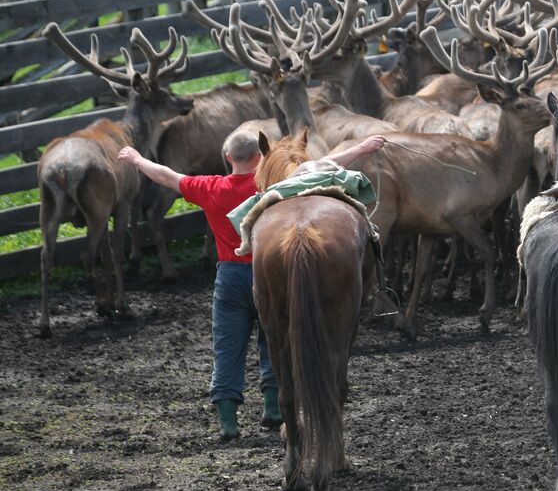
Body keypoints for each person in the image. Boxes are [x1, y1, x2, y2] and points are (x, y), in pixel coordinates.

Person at [118, 131, 386, 440]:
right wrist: (363, 148)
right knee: (275, 341)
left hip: (231, 277)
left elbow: (168, 176)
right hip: (274, 271)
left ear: (228, 158)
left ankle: (228, 422)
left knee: (227, 345)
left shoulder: (211, 188)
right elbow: (322, 165)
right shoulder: (272, 184)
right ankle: (273, 409)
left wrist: (137, 160)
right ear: (261, 158)